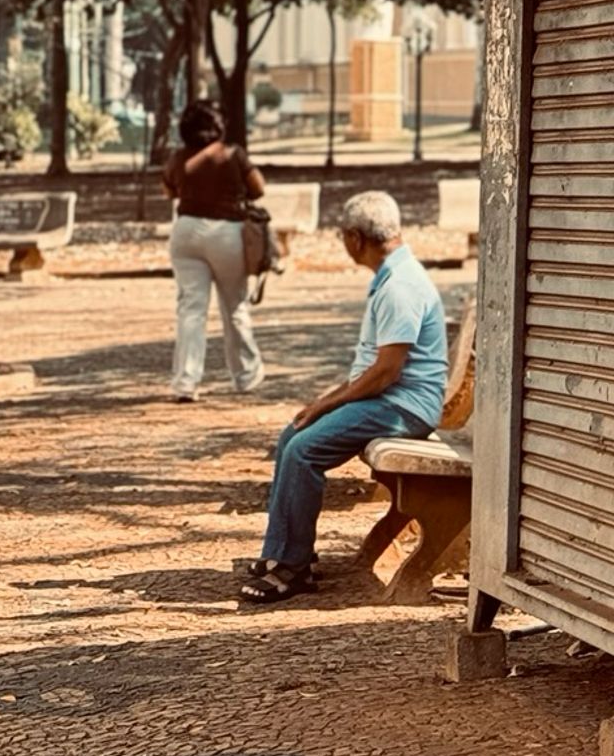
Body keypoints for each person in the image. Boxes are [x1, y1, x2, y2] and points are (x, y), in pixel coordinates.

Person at [238, 190, 447, 604]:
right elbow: (374, 369)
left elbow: (387, 371)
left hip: (404, 406)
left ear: (354, 238)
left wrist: (329, 403)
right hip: (390, 399)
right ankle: (282, 551)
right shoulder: (393, 276)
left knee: (304, 451)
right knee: (292, 435)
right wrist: (323, 403)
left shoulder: (400, 286)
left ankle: (292, 569)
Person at [162, 99, 267, 402]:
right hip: (226, 232)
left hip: (186, 231)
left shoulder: (179, 158)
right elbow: (259, 188)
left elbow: (169, 190)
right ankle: (246, 375)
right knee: (234, 306)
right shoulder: (233, 154)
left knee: (190, 309)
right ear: (218, 125)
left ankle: (185, 382)